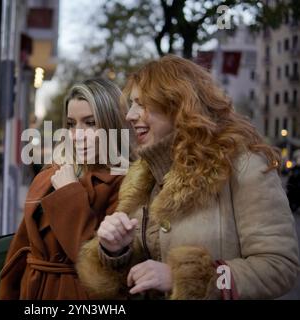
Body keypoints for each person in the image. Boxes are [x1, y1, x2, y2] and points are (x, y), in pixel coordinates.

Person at [76, 55, 300, 300]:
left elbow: (279, 266)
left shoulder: (244, 166)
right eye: (131, 105)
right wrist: (115, 251)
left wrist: (184, 278)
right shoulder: (140, 179)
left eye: (141, 104)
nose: (130, 115)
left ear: (178, 105)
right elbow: (137, 274)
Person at [0, 78, 131, 299]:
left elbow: (96, 261)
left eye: (90, 123)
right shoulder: (52, 173)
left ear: (112, 124)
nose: (77, 134)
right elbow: (20, 248)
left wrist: (69, 193)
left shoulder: (125, 183)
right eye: (71, 124)